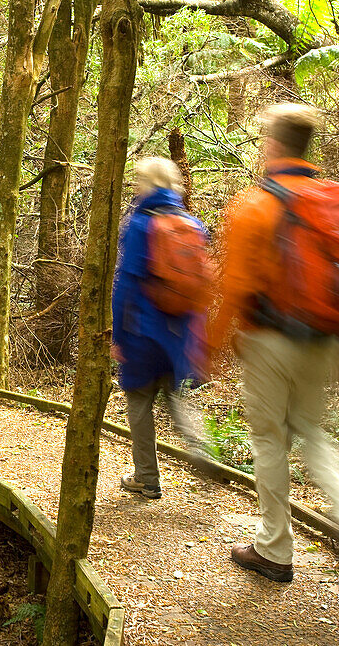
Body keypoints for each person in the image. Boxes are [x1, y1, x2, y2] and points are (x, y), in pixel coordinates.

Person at [206, 103, 339, 583]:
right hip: (324, 339)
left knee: (270, 439)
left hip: (270, 340)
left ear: (273, 145)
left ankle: (274, 549)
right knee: (312, 432)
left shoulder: (255, 206)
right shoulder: (333, 202)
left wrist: (213, 347)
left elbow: (236, 287)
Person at [111, 156, 208, 500]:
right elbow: (201, 288)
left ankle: (146, 477)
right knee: (174, 394)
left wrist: (118, 335)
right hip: (179, 333)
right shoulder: (193, 225)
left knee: (138, 400)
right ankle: (201, 448)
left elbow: (127, 285)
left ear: (148, 185)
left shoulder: (141, 224)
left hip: (144, 331)